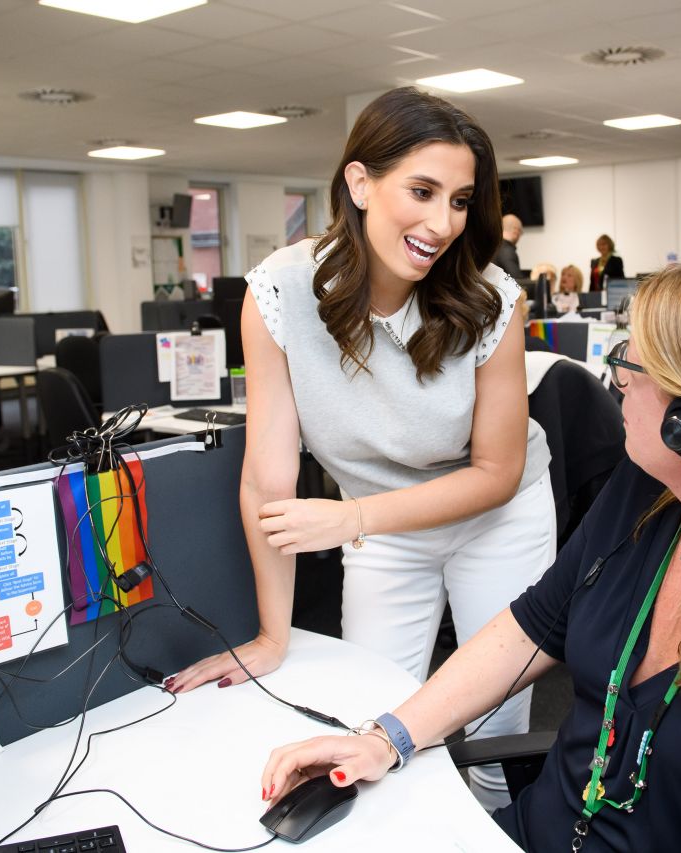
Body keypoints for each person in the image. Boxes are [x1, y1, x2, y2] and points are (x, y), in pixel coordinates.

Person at [260, 253, 681, 851]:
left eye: (636, 361)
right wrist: (385, 737)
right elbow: (533, 624)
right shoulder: (647, 496)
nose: (616, 374)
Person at [168, 87, 555, 812]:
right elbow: (267, 483)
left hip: (493, 518)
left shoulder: (490, 297)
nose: (443, 223)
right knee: (373, 708)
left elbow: (497, 473)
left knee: (494, 731)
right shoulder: (281, 291)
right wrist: (271, 634)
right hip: (384, 529)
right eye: (422, 191)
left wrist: (352, 520)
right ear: (359, 182)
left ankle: (502, 826)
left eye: (462, 200)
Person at [494, 214, 523, 278]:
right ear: (516, 231)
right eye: (521, 232)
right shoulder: (507, 251)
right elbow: (518, 281)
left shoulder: (493, 247)